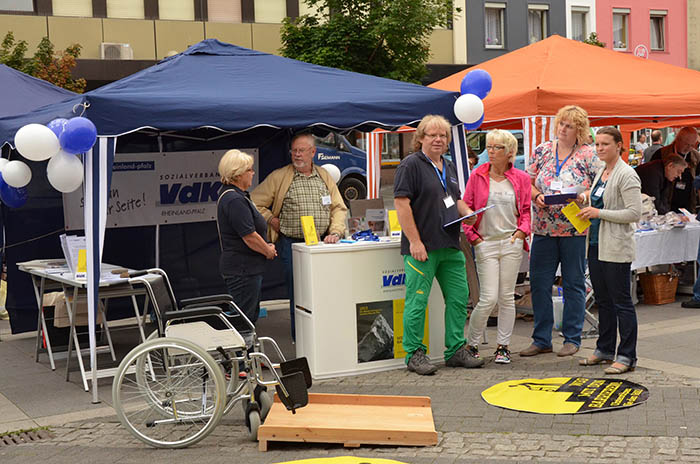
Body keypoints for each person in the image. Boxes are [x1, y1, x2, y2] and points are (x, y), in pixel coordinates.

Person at [393, 114, 482, 375]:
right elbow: (401, 203)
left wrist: (469, 211)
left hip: (450, 244)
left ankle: (455, 349)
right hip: (423, 248)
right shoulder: (410, 165)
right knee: (417, 302)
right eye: (433, 135)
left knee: (458, 298)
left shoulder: (449, 166)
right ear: (420, 138)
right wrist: (415, 241)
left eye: (443, 136)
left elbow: (455, 199)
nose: (438, 139)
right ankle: (413, 353)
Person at [521, 105, 600, 358]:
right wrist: (537, 196)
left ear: (579, 129)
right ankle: (541, 338)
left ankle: (572, 337)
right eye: (561, 124)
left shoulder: (589, 154)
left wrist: (583, 196)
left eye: (569, 125)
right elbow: (529, 183)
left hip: (573, 229)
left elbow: (598, 187)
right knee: (540, 283)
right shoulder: (543, 150)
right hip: (543, 228)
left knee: (573, 284)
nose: (563, 129)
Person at [251, 133, 347, 340]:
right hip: (292, 244)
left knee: (324, 290)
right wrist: (271, 219)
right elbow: (254, 202)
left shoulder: (324, 176)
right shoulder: (280, 176)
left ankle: (324, 336)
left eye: (301, 150)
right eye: (294, 150)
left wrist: (336, 232)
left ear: (313, 152)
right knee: (298, 293)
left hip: (321, 243)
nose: (296, 154)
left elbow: (339, 207)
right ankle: (301, 337)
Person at [462, 130, 531, 365]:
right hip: (486, 242)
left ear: (509, 152)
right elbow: (466, 208)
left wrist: (522, 231)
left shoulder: (521, 178)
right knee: (488, 297)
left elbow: (526, 210)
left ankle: (503, 346)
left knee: (506, 297)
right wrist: (474, 237)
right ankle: (471, 344)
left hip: (511, 242)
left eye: (497, 147)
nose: (490, 151)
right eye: (489, 147)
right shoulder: (477, 175)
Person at [576, 127, 641, 374]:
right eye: (598, 144)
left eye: (605, 144)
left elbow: (634, 213)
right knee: (603, 300)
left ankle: (626, 355)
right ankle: (604, 349)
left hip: (616, 246)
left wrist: (598, 212)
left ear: (619, 146)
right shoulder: (602, 171)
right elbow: (600, 199)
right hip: (596, 244)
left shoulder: (627, 174)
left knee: (621, 301)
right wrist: (586, 201)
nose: (600, 148)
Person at [217, 150, 277, 330]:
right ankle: (242, 357)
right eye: (249, 170)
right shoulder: (234, 199)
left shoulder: (236, 196)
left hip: (245, 268)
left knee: (248, 318)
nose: (252, 173)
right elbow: (249, 236)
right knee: (244, 321)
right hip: (242, 269)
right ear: (238, 174)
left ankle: (246, 355)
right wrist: (267, 250)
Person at [651, 126, 700, 213]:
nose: (689, 148)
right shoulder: (662, 154)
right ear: (678, 139)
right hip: (665, 204)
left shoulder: (696, 157)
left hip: (687, 206)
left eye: (692, 145)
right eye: (686, 144)